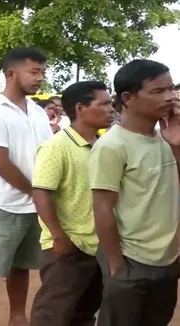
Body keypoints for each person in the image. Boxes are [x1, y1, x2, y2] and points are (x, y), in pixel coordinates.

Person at [88, 59, 180, 326]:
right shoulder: (112, 146)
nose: (169, 97)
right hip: (131, 259)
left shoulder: (167, 138)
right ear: (128, 98)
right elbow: (102, 207)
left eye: (170, 89)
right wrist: (116, 264)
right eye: (158, 91)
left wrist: (176, 145)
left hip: (167, 259)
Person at [0, 48, 52, 326]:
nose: (40, 78)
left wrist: (42, 194)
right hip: (2, 204)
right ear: (11, 73)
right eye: (34, 71)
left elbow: (48, 154)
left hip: (35, 204)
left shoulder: (38, 112)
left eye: (42, 72)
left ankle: (17, 317)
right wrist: (35, 191)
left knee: (21, 266)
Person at [30, 81, 113, 326]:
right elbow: (41, 192)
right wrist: (58, 236)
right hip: (68, 245)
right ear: (80, 108)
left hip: (97, 244)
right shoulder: (57, 146)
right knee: (53, 312)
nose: (111, 109)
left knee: (86, 309)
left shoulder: (102, 145)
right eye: (104, 104)